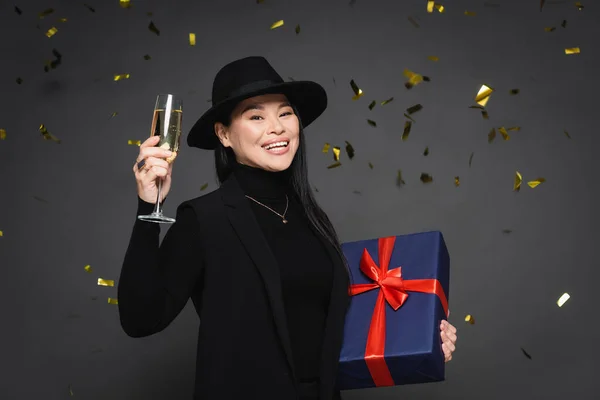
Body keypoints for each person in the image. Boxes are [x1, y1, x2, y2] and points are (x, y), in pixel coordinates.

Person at [118, 56, 458, 400]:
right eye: (255, 116)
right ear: (224, 134)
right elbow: (140, 319)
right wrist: (148, 207)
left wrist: (425, 334)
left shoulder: (311, 218)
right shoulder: (204, 219)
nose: (277, 127)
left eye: (285, 112)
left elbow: (339, 327)